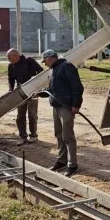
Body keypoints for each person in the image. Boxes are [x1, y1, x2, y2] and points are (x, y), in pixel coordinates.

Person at [42, 49, 84, 177]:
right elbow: (51, 89)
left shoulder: (66, 67)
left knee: (68, 136)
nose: (44, 64)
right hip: (56, 106)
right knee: (59, 134)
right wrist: (40, 93)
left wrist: (76, 105)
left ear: (50, 58)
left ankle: (73, 165)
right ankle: (62, 160)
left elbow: (77, 87)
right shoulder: (53, 70)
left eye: (45, 61)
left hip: (66, 107)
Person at [7, 48, 43, 143]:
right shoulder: (11, 66)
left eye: (10, 58)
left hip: (33, 92)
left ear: (16, 56)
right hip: (20, 93)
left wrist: (35, 83)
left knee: (32, 114)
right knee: (20, 115)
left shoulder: (29, 61)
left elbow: (41, 71)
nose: (9, 61)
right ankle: (23, 136)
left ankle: (33, 136)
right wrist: (11, 89)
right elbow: (10, 79)